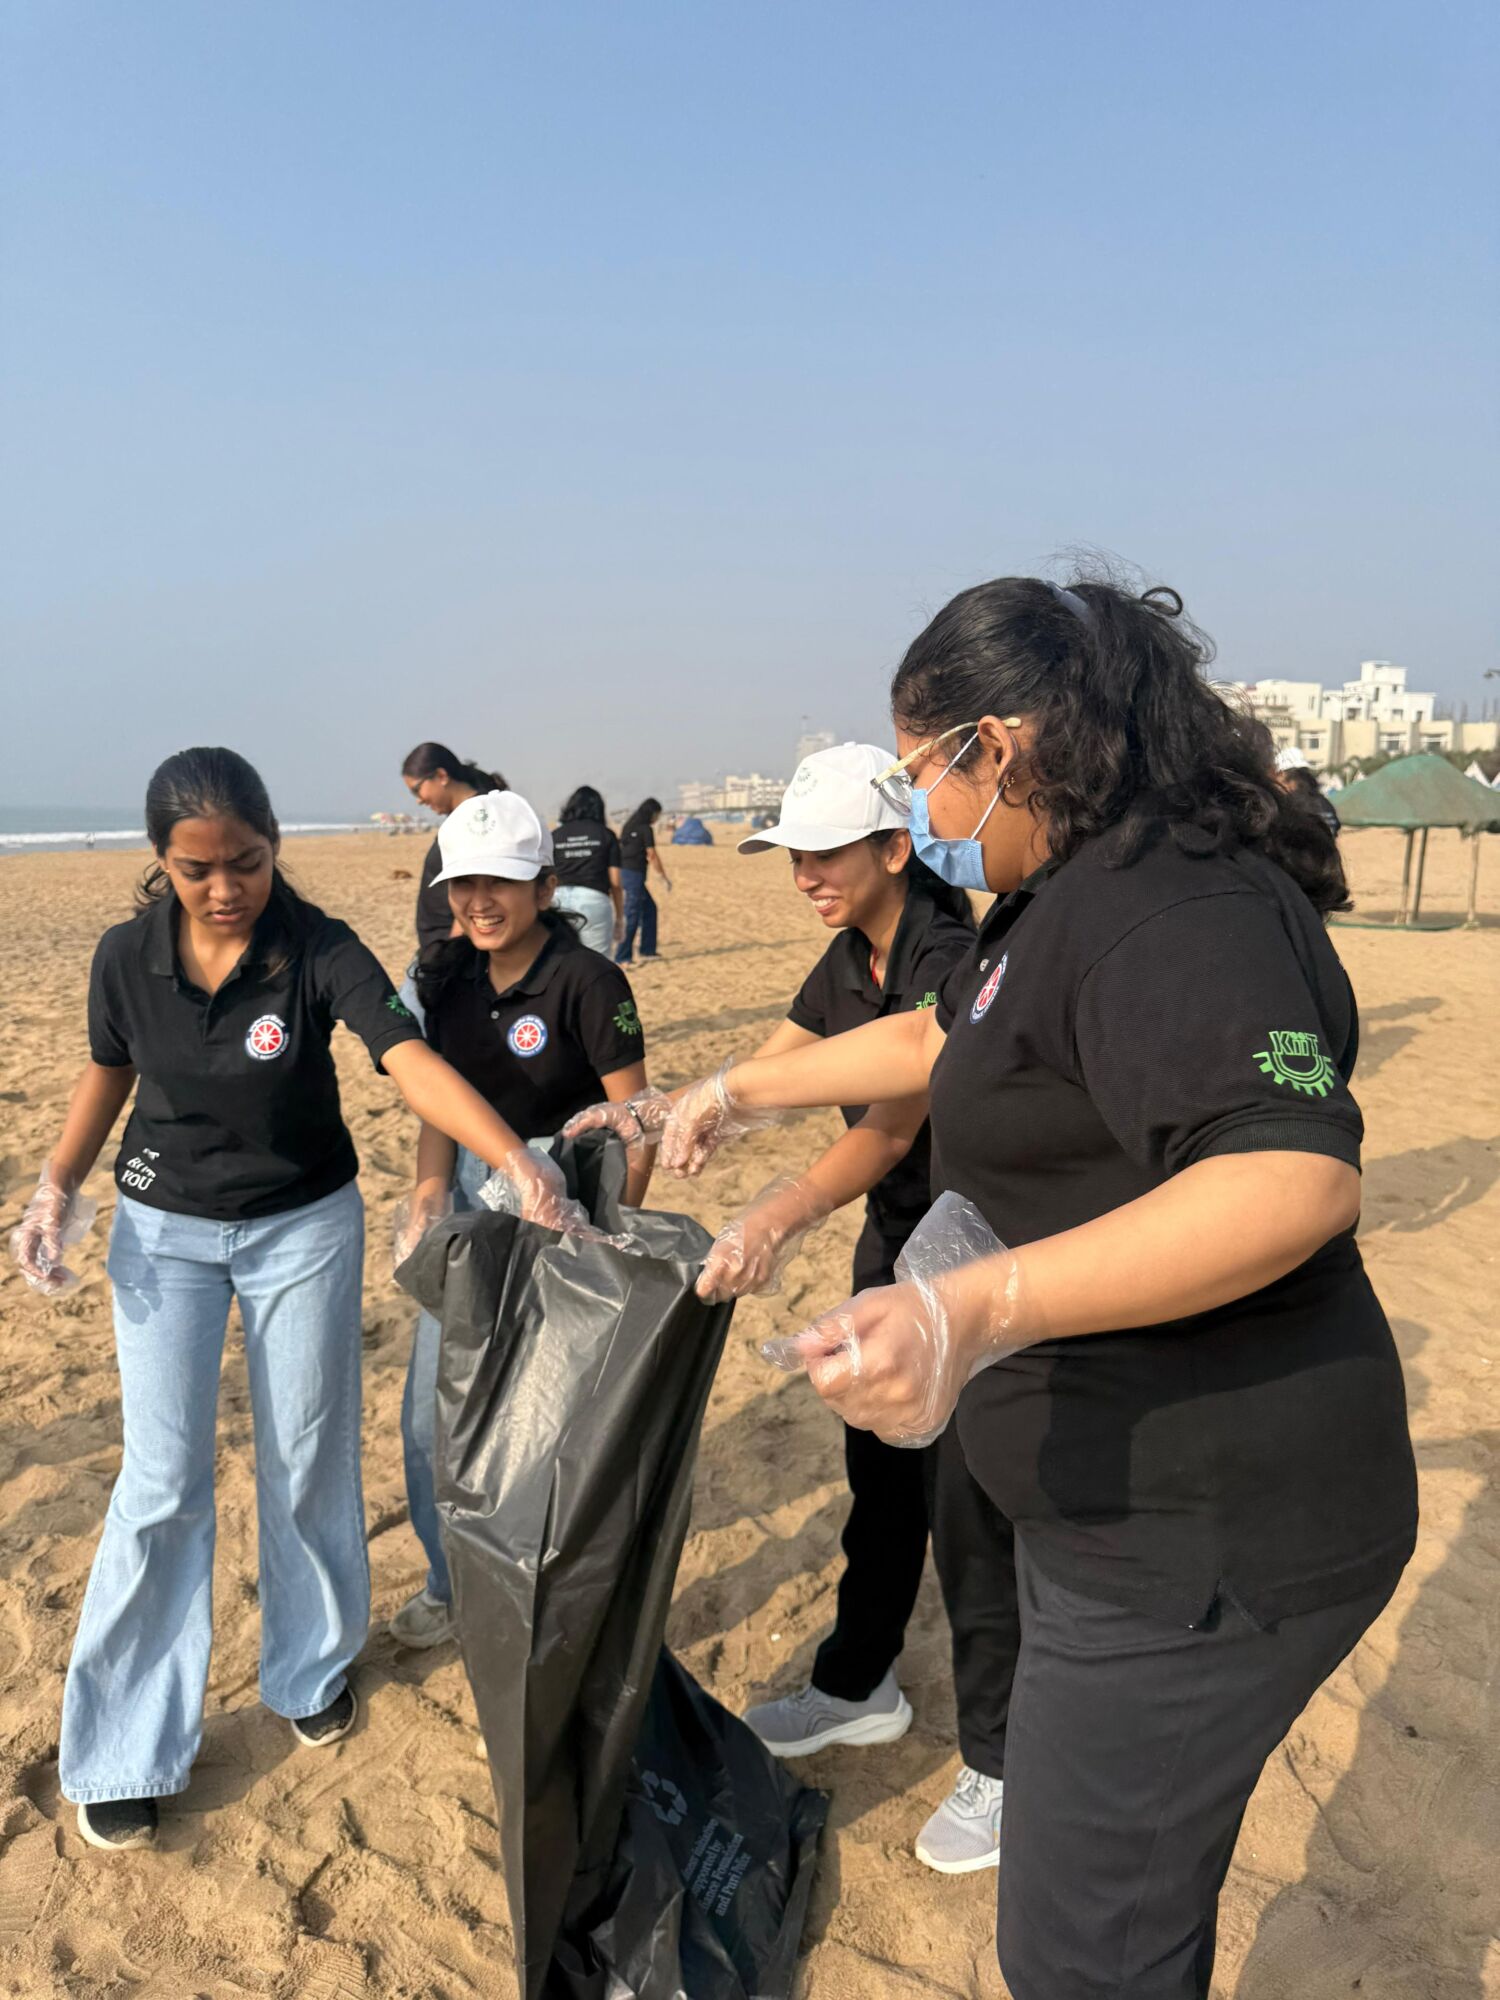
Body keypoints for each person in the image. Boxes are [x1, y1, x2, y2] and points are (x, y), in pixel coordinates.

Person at [587, 577, 1418, 1999]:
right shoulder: (1059, 898)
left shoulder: (1172, 904)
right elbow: (939, 1038)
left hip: (1201, 1536)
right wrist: (727, 1091)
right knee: (1099, 1910)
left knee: (1083, 1947)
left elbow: (1288, 1177)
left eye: (921, 772)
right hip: (1114, 1506)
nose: (918, 808)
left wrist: (968, 1309)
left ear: (1002, 743)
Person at [9, 748, 588, 1856]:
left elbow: (405, 1056)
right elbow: (107, 1067)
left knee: (309, 1450)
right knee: (162, 1479)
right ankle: (126, 1746)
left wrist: (512, 1156)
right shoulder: (126, 955)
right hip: (164, 1229)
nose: (225, 887)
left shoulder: (318, 946)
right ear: (162, 861)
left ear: (274, 847)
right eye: (197, 869)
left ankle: (311, 1666)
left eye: (248, 862)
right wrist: (56, 1184)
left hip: (304, 1226)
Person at [695, 740, 1018, 1874]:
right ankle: (858, 1681)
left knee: (968, 1507)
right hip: (895, 1243)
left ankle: (1004, 1760)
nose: (805, 876)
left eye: (825, 853)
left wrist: (775, 1215)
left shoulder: (947, 951)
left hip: (975, 1249)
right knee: (878, 1475)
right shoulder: (849, 954)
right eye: (794, 856)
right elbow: (781, 1065)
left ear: (892, 846)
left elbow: (887, 1121)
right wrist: (671, 1111)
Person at [388, 789, 652, 1649]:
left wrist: (606, 1237)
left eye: (499, 882)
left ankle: (545, 1589)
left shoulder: (589, 981)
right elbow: (441, 1105)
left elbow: (635, 1124)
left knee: (547, 1421)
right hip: (474, 1212)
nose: (479, 902)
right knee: (433, 1414)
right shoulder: (444, 978)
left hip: (564, 1213)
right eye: (462, 884)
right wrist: (430, 1194)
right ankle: (448, 1583)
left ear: (543, 888)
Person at [399, 743, 510, 954]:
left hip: (452, 948)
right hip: (441, 946)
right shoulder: (467, 815)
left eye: (417, 790)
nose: (419, 800)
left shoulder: (479, 819)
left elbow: (478, 884)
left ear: (441, 776)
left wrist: (453, 952)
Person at [550, 785, 624, 955]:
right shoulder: (606, 835)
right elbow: (616, 882)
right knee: (597, 963)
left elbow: (546, 873)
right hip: (594, 899)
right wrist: (620, 917)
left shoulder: (556, 835)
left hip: (558, 900)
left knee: (562, 960)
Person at [614, 797, 670, 965]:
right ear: (652, 813)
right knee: (632, 914)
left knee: (650, 909)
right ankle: (622, 956)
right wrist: (663, 876)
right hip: (633, 874)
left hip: (624, 872)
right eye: (657, 815)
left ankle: (647, 950)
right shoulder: (646, 829)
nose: (657, 818)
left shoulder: (628, 825)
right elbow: (652, 854)